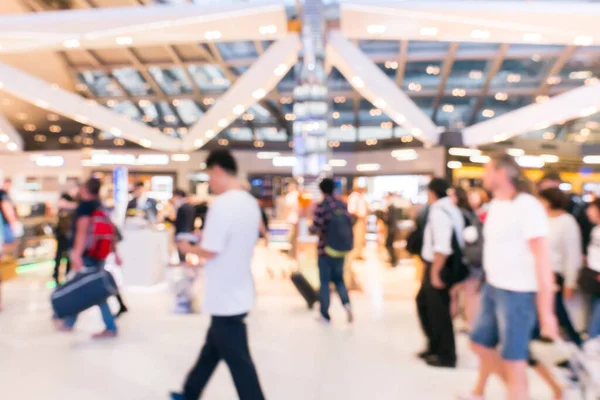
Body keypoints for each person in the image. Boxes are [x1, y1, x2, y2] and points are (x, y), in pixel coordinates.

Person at [171, 150, 265, 400]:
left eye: (210, 177)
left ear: (218, 171)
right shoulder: (249, 202)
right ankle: (190, 392)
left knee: (239, 362)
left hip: (225, 296)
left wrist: (188, 247)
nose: (209, 183)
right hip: (239, 288)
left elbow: (211, 250)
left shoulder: (223, 205)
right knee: (212, 349)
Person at [466, 154, 558, 400]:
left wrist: (546, 311)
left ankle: (522, 393)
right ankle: (519, 393)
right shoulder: (497, 204)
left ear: (500, 172)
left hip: (518, 293)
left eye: (487, 169)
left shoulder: (527, 206)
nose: (483, 175)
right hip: (494, 287)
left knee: (514, 360)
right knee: (479, 344)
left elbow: (542, 257)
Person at [53, 178, 120, 339]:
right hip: (98, 254)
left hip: (87, 255)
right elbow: (111, 230)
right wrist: (115, 252)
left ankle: (108, 327)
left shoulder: (84, 207)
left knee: (90, 290)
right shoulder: (99, 205)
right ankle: (71, 322)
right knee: (92, 289)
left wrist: (76, 254)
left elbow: (82, 231)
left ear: (85, 189)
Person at [416, 178, 465, 368]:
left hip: (439, 264)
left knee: (439, 311)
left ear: (432, 192)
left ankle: (446, 355)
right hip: (444, 264)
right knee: (425, 304)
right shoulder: (451, 208)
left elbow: (442, 246)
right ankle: (434, 346)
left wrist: (435, 271)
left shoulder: (439, 212)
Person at [539, 188, 583, 347]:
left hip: (556, 275)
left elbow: (572, 255)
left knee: (561, 315)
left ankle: (575, 344)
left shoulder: (567, 222)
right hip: (541, 274)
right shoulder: (542, 219)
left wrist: (570, 282)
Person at [309, 178, 354, 324]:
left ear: (321, 190)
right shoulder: (342, 204)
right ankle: (346, 304)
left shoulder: (322, 206)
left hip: (325, 250)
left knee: (324, 282)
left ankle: (325, 314)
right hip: (340, 249)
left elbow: (315, 228)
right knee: (339, 279)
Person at [448, 186, 482, 330]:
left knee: (468, 294)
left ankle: (471, 325)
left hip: (468, 259)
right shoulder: (470, 213)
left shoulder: (460, 213)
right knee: (467, 293)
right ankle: (469, 323)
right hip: (471, 258)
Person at [539, 171, 593, 258]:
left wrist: (583, 253)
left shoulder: (569, 211)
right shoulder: (539, 208)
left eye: (548, 187)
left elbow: (583, 229)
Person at [53, 183, 79, 286]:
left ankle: (67, 276)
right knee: (59, 256)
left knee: (69, 256)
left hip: (71, 234)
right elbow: (62, 204)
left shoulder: (77, 200)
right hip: (62, 233)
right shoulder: (65, 197)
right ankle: (56, 276)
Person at [167, 189, 196, 264]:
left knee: (182, 256)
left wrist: (167, 219)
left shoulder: (182, 208)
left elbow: (178, 222)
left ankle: (186, 271)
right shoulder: (189, 206)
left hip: (183, 235)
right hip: (188, 233)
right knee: (185, 255)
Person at [348, 186, 369, 260]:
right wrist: (360, 217)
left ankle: (358, 254)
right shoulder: (354, 197)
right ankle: (355, 254)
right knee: (357, 238)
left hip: (361, 220)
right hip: (357, 220)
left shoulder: (361, 197)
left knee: (360, 238)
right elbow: (352, 210)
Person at [0, 178, 18, 251]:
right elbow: (6, 208)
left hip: (4, 222)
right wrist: (12, 222)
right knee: (7, 245)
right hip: (4, 223)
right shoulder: (3, 193)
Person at [384, 192, 398, 266]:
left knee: (389, 244)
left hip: (391, 229)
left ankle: (393, 260)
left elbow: (389, 219)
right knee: (389, 245)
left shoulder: (391, 207)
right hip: (392, 228)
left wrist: (383, 217)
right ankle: (392, 259)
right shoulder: (391, 206)